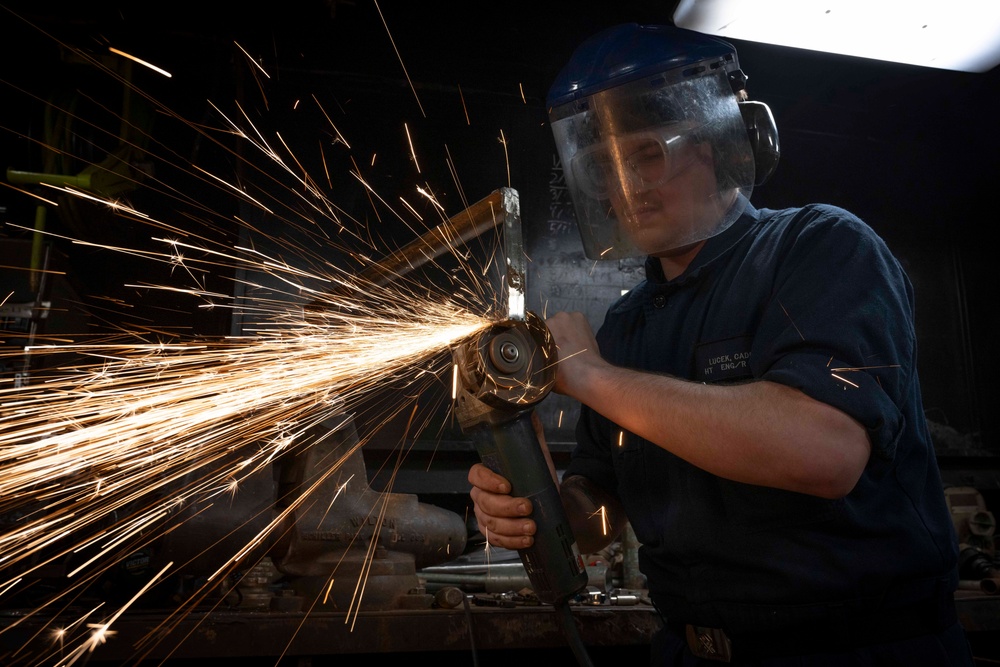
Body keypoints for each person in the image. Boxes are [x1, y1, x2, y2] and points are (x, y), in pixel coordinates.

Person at [468, 23, 974, 666]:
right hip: (689, 651)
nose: (627, 185)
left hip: (858, 650)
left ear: (719, 145)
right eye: (604, 167)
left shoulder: (819, 248)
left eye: (647, 153)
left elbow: (824, 453)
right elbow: (601, 522)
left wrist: (590, 376)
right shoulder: (627, 327)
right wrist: (533, 501)